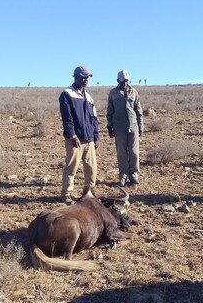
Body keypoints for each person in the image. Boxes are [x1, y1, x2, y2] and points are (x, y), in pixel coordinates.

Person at [59, 66, 100, 204]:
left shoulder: (89, 97)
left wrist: (96, 136)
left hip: (89, 139)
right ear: (76, 77)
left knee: (91, 168)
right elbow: (67, 118)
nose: (86, 79)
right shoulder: (67, 94)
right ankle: (66, 194)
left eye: (87, 77)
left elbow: (93, 119)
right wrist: (73, 135)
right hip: (75, 139)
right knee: (72, 167)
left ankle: (90, 192)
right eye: (83, 77)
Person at [106, 70, 144, 186]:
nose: (125, 83)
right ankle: (123, 175)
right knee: (121, 152)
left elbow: (138, 110)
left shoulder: (134, 92)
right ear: (118, 81)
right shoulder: (113, 93)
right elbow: (109, 112)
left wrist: (140, 126)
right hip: (119, 128)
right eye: (123, 81)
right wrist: (110, 127)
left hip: (133, 127)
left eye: (126, 81)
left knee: (134, 152)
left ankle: (134, 174)